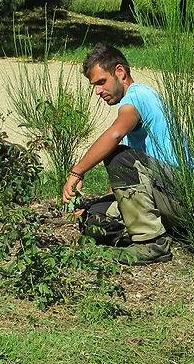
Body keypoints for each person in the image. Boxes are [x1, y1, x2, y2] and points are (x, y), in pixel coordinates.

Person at [61, 43, 183, 265]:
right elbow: (127, 181)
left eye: (101, 82)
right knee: (94, 221)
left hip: (180, 194)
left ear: (120, 72)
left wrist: (77, 172)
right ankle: (153, 230)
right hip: (162, 192)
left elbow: (115, 135)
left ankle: (152, 245)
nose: (97, 91)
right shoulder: (134, 110)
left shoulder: (137, 97)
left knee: (119, 156)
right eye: (94, 85)